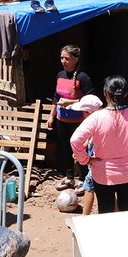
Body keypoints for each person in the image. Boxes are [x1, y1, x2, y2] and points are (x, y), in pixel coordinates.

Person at [70, 75, 128, 213]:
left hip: (103, 174)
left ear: (105, 93)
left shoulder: (96, 117)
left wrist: (86, 160)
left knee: (106, 212)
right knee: (127, 211)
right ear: (125, 94)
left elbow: (75, 140)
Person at [46, 45, 94, 194]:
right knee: (65, 148)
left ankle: (82, 178)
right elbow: (56, 97)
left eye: (67, 58)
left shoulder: (83, 78)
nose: (63, 61)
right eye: (62, 58)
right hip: (62, 120)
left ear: (76, 59)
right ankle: (69, 177)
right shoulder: (60, 75)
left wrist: (71, 102)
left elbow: (90, 100)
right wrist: (51, 116)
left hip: (79, 121)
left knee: (80, 149)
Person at [67, 94, 104, 215]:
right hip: (95, 155)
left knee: (89, 187)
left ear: (88, 112)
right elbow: (89, 138)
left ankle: (85, 216)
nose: (82, 114)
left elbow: (76, 140)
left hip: (96, 159)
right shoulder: (101, 119)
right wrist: (82, 148)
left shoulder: (95, 122)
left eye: (83, 112)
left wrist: (83, 156)